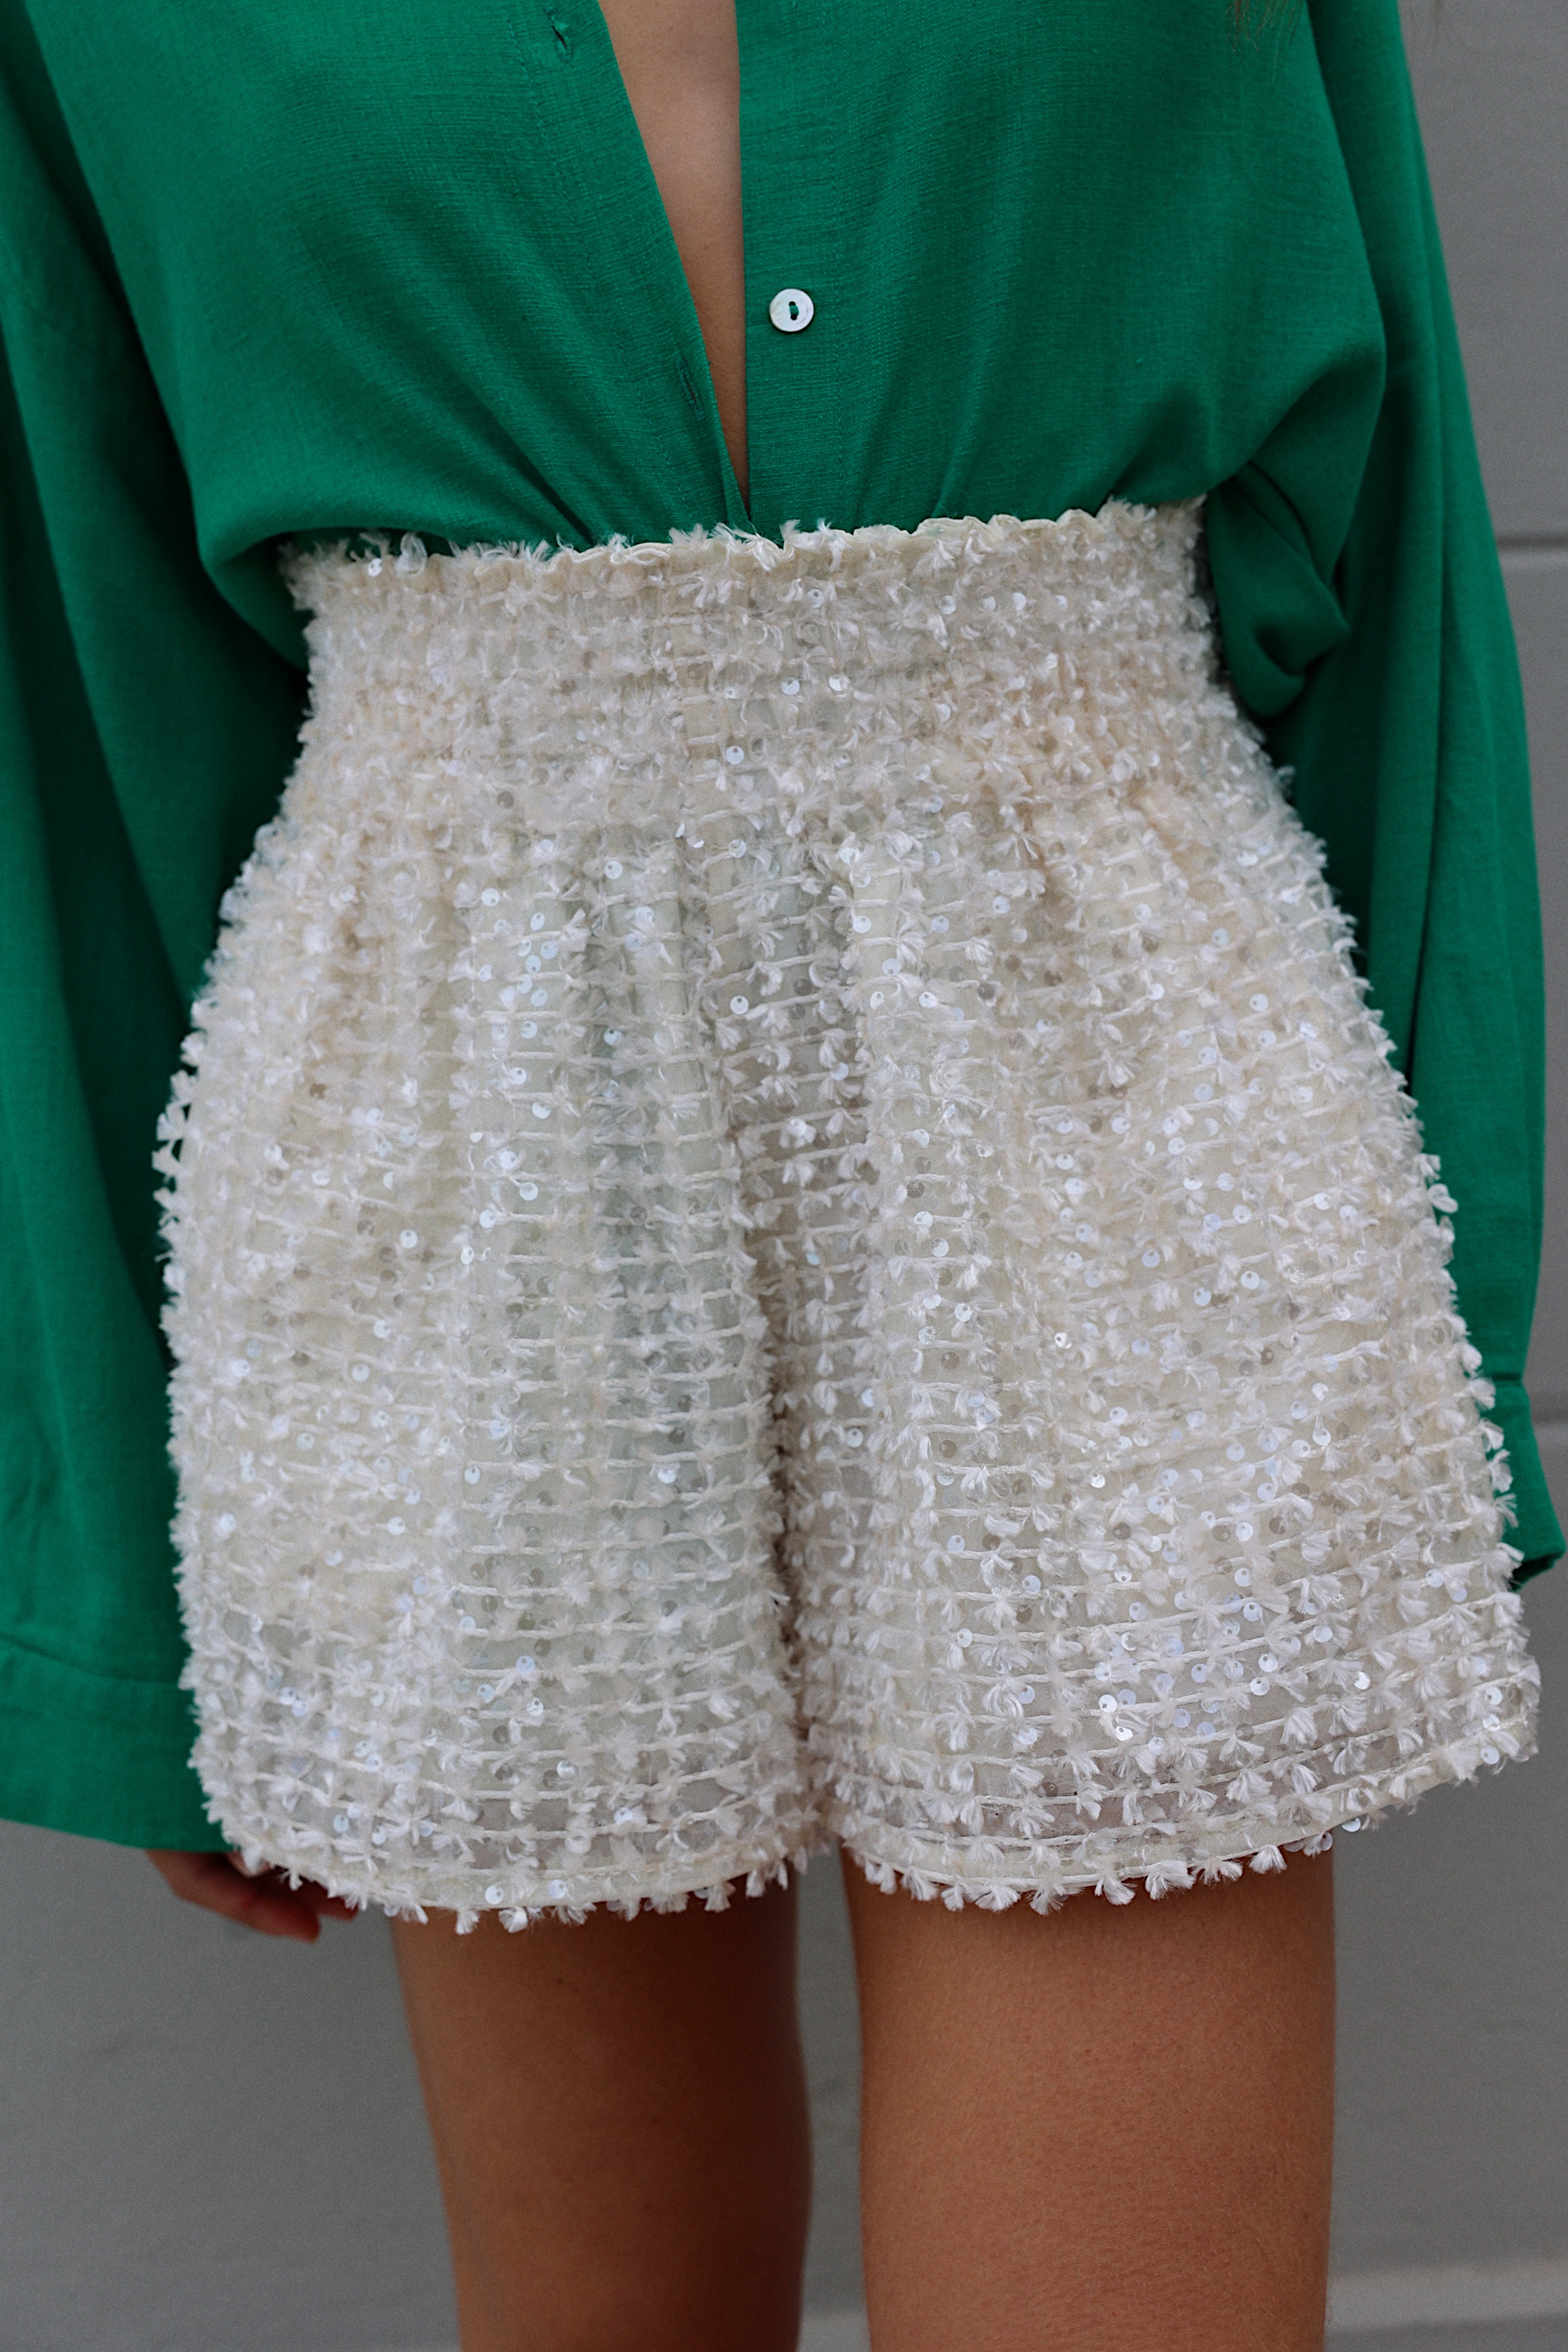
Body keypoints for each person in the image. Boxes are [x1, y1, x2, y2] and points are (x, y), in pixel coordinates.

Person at [0, 1, 1557, 2345]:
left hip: (1104, 1079)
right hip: (463, 1115)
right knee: (602, 2308)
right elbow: (93, 686)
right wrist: (135, 1612)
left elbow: (1393, 522)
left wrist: (1440, 1370)